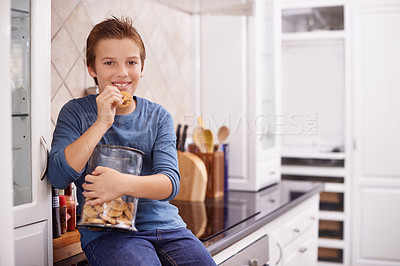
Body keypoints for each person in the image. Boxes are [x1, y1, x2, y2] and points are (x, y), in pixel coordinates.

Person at [48, 16, 216, 266]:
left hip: (168, 228)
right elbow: (58, 177)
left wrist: (120, 184)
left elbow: (170, 183)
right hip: (108, 234)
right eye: (109, 62)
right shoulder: (76, 113)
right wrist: (101, 123)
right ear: (92, 68)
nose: (122, 73)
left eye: (131, 62)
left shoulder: (158, 117)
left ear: (142, 67)